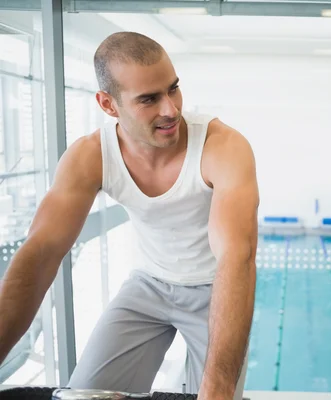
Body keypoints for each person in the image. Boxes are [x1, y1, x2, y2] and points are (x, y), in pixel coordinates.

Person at [0, 31, 258, 400]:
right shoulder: (90, 156)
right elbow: (40, 253)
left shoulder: (223, 147)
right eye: (149, 99)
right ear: (108, 104)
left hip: (216, 288)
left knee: (217, 393)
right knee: (84, 394)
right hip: (148, 285)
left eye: (173, 89)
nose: (171, 109)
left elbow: (238, 257)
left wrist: (216, 388)